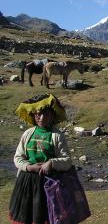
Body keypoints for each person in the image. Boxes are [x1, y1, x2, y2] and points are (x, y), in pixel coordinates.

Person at [9, 93, 72, 223]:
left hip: (49, 185)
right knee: (27, 215)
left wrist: (51, 163)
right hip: (27, 183)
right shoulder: (28, 134)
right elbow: (18, 157)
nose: (41, 117)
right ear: (33, 115)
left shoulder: (57, 136)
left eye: (45, 114)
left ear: (52, 115)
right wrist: (28, 166)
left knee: (46, 217)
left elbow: (67, 161)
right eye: (37, 114)